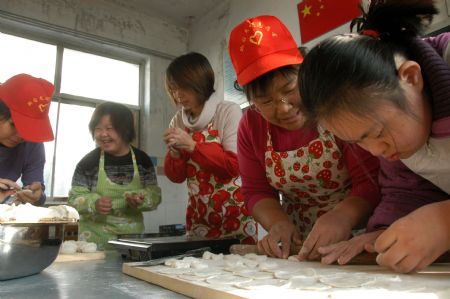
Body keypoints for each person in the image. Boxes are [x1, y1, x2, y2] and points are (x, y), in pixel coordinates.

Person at [298, 0, 450, 273]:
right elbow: (405, 190)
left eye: (377, 133)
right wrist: (383, 234)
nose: (376, 151)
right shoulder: (395, 134)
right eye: (358, 142)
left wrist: (445, 221)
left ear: (411, 78)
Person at [227, 15, 380, 259]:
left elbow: (369, 180)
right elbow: (256, 191)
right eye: (266, 101)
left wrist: (342, 217)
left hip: (359, 234)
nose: (284, 108)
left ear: (304, 69)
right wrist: (277, 224)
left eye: (289, 89)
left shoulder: (334, 101)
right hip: (298, 245)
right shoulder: (251, 126)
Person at [163, 52, 257, 244]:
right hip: (200, 215)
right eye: (173, 89)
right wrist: (175, 153)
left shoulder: (227, 111)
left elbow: (233, 165)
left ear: (201, 83)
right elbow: (176, 177)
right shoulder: (178, 120)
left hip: (235, 215)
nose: (178, 95)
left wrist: (192, 146)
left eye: (184, 88)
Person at [69, 102, 161, 249]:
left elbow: (154, 196)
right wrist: (94, 203)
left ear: (125, 130)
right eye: (98, 129)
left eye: (109, 128)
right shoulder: (88, 162)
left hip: (131, 243)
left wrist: (141, 199)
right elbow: (74, 198)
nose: (102, 134)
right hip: (92, 244)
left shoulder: (142, 160)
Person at [0, 73, 54, 206]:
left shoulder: (32, 143)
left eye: (28, 129)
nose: (21, 136)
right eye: (14, 125)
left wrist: (36, 195)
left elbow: (37, 193)